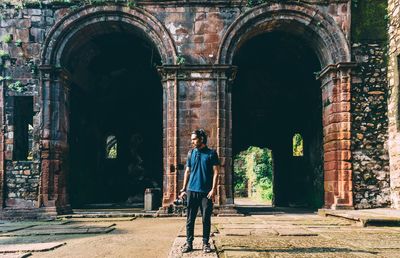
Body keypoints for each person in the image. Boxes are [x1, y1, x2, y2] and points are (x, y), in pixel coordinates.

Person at [179, 129, 220, 254]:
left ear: (201, 139)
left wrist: (213, 190)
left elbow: (216, 172)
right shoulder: (191, 153)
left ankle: (205, 243)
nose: (192, 141)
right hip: (192, 190)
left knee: (205, 219)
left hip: (206, 192)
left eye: (194, 139)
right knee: (190, 219)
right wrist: (183, 189)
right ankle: (189, 242)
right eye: (191, 139)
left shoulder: (211, 154)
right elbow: (187, 171)